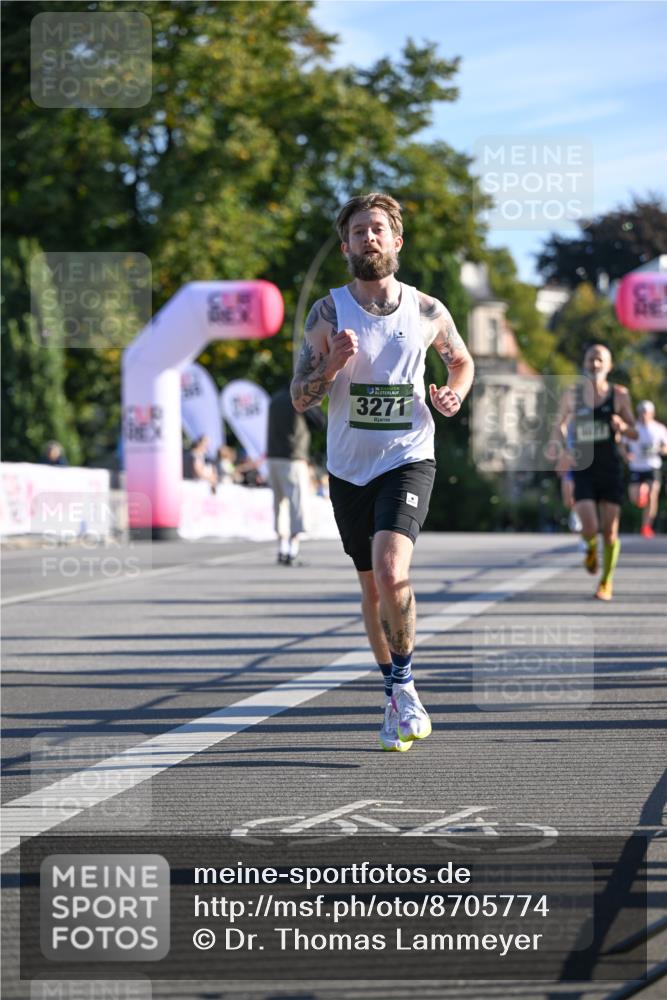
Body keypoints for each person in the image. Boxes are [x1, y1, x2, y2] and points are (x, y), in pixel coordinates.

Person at [291, 192, 474, 751]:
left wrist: (453, 396)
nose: (369, 238)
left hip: (408, 455)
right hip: (348, 468)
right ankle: (394, 690)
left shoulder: (426, 310)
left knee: (392, 569)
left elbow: (461, 362)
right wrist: (331, 365)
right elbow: (301, 396)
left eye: (378, 229)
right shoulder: (327, 313)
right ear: (346, 245)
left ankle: (407, 683)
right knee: (372, 590)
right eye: (358, 231)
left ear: (397, 241)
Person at [549, 344, 637, 601]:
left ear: (609, 366)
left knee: (610, 532)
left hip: (609, 469)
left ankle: (605, 582)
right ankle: (589, 548)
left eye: (600, 360)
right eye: (591, 359)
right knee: (589, 526)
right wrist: (563, 450)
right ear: (584, 364)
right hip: (583, 467)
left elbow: (635, 432)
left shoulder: (619, 395)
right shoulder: (572, 395)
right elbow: (559, 426)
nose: (595, 364)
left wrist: (622, 425)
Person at [267, 384, 325, 565]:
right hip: (293, 458)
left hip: (273, 457)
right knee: (297, 504)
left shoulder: (274, 399)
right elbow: (321, 422)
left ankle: (282, 548)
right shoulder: (300, 398)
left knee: (279, 505)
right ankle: (293, 551)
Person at [622, 400, 667, 538]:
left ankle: (646, 526)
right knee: (635, 498)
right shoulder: (632, 428)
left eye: (645, 412)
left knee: (653, 494)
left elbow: (666, 447)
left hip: (652, 466)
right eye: (641, 412)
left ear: (652, 413)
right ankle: (642, 492)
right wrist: (626, 455)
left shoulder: (659, 428)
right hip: (636, 466)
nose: (643, 415)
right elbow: (622, 444)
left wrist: (660, 449)